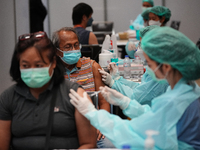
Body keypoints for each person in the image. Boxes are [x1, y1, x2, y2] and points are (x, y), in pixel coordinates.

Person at [69, 27, 200, 149]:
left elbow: (131, 131)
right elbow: (154, 115)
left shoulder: (174, 100)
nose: (148, 69)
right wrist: (127, 103)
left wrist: (93, 113)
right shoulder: (188, 88)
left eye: (149, 64)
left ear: (166, 67)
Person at [0, 31, 97, 149]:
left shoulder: (74, 94)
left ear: (53, 63)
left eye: (39, 65)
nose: (32, 71)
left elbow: (88, 144)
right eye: (25, 66)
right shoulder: (8, 98)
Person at [52, 27, 115, 148]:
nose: (74, 50)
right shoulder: (52, 71)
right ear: (57, 51)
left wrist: (101, 124)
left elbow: (103, 102)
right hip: (63, 129)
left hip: (92, 126)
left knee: (110, 146)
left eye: (76, 45)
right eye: (68, 47)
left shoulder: (93, 67)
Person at [99, 25, 169, 108]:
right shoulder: (154, 65)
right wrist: (118, 79)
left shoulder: (159, 71)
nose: (139, 48)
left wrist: (113, 83)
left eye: (143, 45)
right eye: (140, 44)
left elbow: (136, 97)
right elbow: (140, 88)